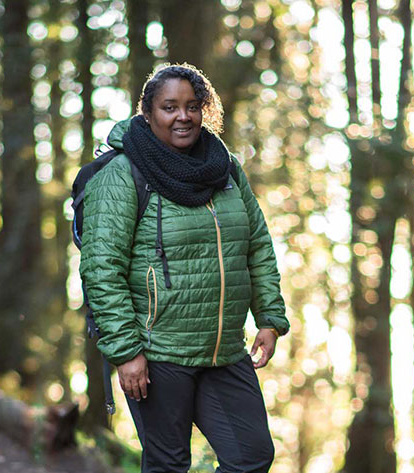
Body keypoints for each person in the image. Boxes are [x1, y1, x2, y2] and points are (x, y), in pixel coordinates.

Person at [79, 63, 289, 473]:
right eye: (169, 107)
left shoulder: (225, 168)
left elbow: (257, 245)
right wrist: (126, 352)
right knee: (168, 465)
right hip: (158, 354)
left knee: (251, 456)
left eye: (192, 106)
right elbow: (102, 269)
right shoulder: (123, 174)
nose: (183, 116)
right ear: (148, 112)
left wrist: (269, 317)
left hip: (224, 351)